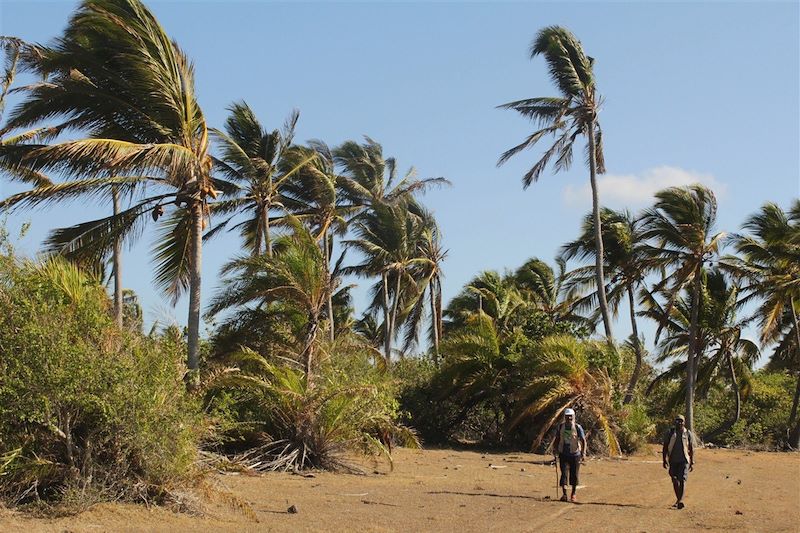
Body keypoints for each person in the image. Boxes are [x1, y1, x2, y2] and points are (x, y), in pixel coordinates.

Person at [552, 408, 587, 502]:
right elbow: (557, 439)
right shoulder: (560, 427)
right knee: (564, 474)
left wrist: (583, 453)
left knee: (574, 475)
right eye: (567, 417)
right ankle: (564, 494)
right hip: (563, 453)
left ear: (573, 417)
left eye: (571, 417)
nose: (569, 418)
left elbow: (583, 440)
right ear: (565, 417)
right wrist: (555, 450)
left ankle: (573, 494)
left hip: (575, 454)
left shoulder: (577, 427)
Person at [662, 414, 695, 509]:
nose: (679, 423)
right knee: (674, 479)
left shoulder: (687, 433)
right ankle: (678, 499)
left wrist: (692, 461)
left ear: (684, 422)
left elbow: (691, 448)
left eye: (681, 421)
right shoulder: (670, 433)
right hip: (673, 460)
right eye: (677, 421)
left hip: (684, 460)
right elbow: (665, 447)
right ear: (675, 422)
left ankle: (680, 500)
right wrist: (664, 460)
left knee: (683, 479)